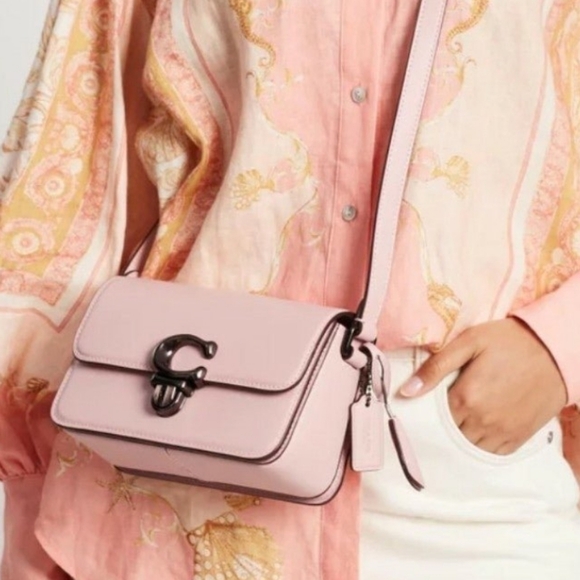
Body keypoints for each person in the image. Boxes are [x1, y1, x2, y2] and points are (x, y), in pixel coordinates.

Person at [1, 0, 580, 578]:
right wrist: (31, 500)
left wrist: (558, 345)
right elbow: (79, 173)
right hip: (186, 452)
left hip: (464, 453)